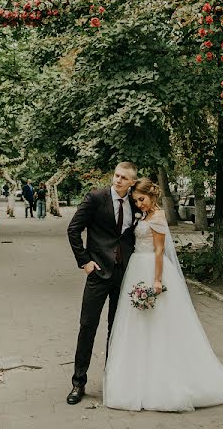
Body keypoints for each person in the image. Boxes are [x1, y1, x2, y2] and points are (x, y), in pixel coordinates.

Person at [103, 178, 223, 411]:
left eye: (142, 199)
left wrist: (157, 280)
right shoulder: (145, 215)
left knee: (159, 324)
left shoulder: (157, 217)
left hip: (151, 269)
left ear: (152, 196)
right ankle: (138, 377)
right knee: (138, 324)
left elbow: (159, 250)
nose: (139, 204)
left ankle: (164, 381)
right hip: (137, 269)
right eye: (136, 200)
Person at [65, 162, 139, 405]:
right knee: (87, 326)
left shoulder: (134, 203)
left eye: (124, 178)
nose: (118, 180)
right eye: (116, 175)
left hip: (124, 275)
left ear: (131, 182)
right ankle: (78, 383)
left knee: (116, 330)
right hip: (97, 274)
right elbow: (73, 229)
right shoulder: (95, 198)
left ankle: (112, 381)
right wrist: (84, 262)